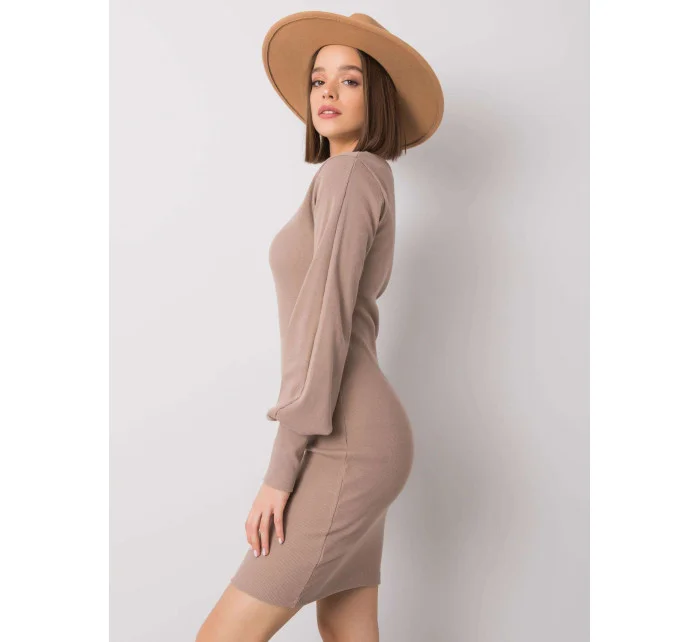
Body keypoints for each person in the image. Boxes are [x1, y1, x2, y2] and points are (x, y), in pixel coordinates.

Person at [196, 11, 443, 642]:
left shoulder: (352, 174)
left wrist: (281, 473)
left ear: (376, 95)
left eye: (350, 80)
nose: (328, 92)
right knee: (347, 631)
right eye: (318, 80)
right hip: (359, 435)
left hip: (346, 442)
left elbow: (324, 325)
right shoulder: (355, 177)